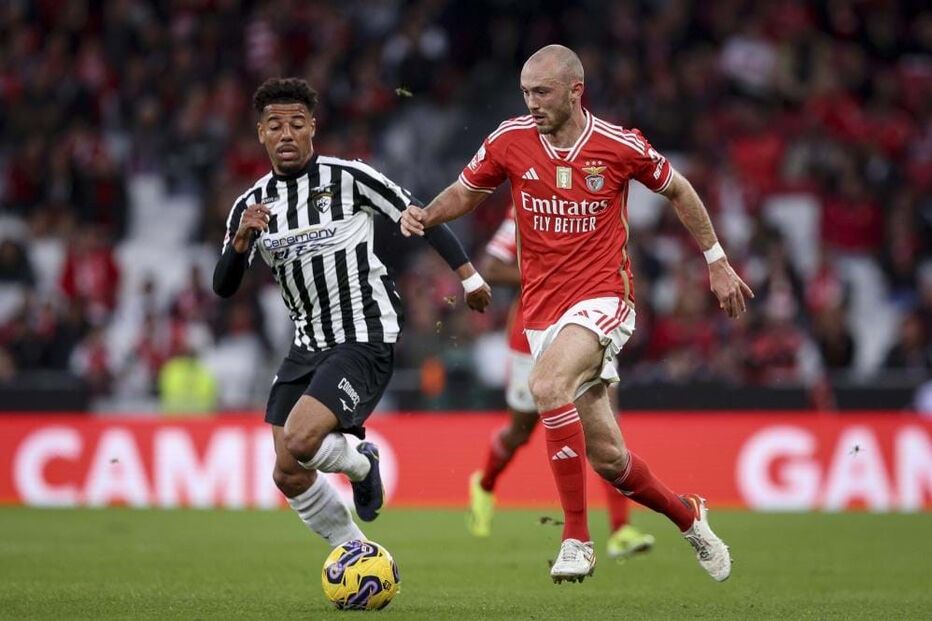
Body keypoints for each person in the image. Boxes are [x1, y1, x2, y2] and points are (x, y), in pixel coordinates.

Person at [401, 45, 753, 583]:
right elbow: (466, 192)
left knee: (546, 386)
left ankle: (576, 538)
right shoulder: (509, 140)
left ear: (574, 91)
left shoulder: (618, 146)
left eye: (541, 93)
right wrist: (427, 213)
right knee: (611, 459)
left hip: (605, 298)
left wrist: (717, 260)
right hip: (543, 313)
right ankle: (690, 517)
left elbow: (679, 189)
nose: (531, 103)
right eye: (525, 93)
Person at [213, 78, 491, 550]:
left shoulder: (349, 178)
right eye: (275, 125)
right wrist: (240, 243)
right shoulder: (251, 206)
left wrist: (469, 277)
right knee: (287, 471)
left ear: (312, 129)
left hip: (363, 332)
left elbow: (420, 214)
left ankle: (361, 461)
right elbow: (224, 287)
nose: (286, 134)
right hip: (306, 344)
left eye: (296, 124)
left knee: (302, 441)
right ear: (260, 133)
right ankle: (355, 551)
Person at [468, 206, 655, 562]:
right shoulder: (527, 206)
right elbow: (490, 267)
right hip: (532, 334)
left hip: (589, 326)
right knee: (520, 431)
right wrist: (553, 272)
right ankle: (485, 483)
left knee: (603, 425)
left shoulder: (590, 201)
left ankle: (620, 529)